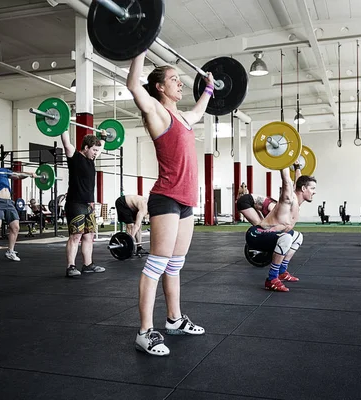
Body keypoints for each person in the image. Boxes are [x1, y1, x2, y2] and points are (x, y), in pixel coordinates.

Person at [126, 51, 214, 356]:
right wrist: (140, 50)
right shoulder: (159, 113)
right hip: (166, 198)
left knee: (175, 265)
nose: (180, 84)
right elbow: (135, 87)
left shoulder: (182, 117)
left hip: (187, 201)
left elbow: (199, 113)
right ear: (161, 87)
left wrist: (209, 90)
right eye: (174, 79)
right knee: (156, 265)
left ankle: (174, 320)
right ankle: (144, 332)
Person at [245, 163, 317, 292]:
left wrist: (297, 168)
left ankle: (282, 272)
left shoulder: (297, 198)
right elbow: (287, 181)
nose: (314, 192)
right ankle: (271, 279)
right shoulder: (288, 199)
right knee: (286, 239)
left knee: (297, 236)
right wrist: (284, 162)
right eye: (312, 188)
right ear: (304, 189)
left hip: (271, 234)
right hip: (257, 234)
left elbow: (297, 182)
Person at [61, 132, 106, 278]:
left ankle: (88, 265)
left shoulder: (91, 159)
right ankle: (71, 266)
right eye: (93, 150)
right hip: (75, 203)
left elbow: (100, 148)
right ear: (86, 147)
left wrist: (103, 137)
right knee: (76, 236)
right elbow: (66, 142)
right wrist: (63, 124)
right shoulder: (74, 157)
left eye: (96, 151)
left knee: (89, 236)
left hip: (88, 205)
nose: (95, 153)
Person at [0, 151, 33, 265]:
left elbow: (17, 175)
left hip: (9, 202)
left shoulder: (4, 171)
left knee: (15, 227)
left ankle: (10, 251)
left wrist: (28, 174)